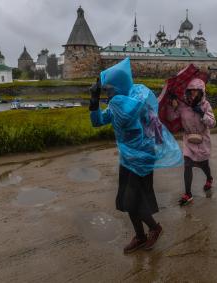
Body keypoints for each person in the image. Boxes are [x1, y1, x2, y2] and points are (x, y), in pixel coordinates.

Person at [89, 58, 182, 253]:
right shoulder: (118, 103)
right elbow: (97, 122)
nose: (107, 94)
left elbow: (124, 115)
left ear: (119, 87)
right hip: (127, 159)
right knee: (127, 201)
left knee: (133, 202)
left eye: (108, 89)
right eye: (105, 90)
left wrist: (107, 100)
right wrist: (94, 101)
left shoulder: (134, 103)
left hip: (142, 159)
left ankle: (155, 228)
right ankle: (140, 236)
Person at [167, 78, 216, 206]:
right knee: (188, 164)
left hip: (203, 139)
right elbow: (172, 118)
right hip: (188, 139)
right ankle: (188, 193)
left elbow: (213, 123)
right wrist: (174, 106)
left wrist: (202, 114)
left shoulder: (205, 105)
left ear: (201, 92)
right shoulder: (183, 105)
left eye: (196, 91)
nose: (193, 93)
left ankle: (209, 178)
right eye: (191, 91)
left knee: (203, 164)